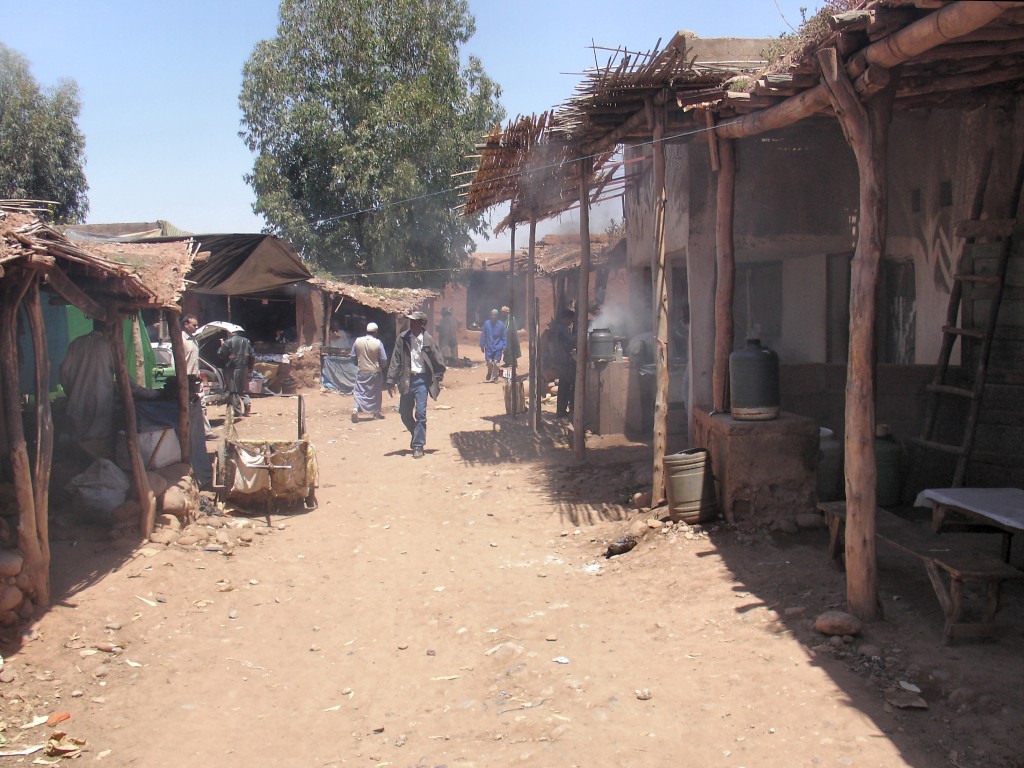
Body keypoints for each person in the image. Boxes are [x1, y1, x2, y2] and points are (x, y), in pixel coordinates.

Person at [386, 310, 445, 459]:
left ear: (422, 323)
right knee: (404, 414)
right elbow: (396, 360)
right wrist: (391, 380)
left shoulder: (428, 340)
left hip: (422, 381)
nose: (411, 324)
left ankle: (418, 445)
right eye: (410, 321)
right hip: (406, 379)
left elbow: (438, 360)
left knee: (421, 414)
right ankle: (415, 433)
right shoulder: (402, 338)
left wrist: (438, 377)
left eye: (415, 321)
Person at [59, 327, 115, 443]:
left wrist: (73, 392)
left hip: (76, 406)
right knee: (96, 447)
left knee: (76, 445)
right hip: (100, 408)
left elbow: (63, 372)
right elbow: (123, 376)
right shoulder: (109, 346)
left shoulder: (76, 343)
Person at [181, 314, 212, 487]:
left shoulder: (193, 340)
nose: (196, 327)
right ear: (186, 325)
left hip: (195, 383)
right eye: (194, 324)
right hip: (186, 384)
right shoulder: (181, 341)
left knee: (200, 414)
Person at [350, 322, 388, 422]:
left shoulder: (357, 341)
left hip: (362, 371)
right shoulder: (378, 343)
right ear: (376, 332)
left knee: (359, 391)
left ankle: (355, 409)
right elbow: (383, 359)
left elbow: (353, 356)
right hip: (375, 372)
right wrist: (382, 367)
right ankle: (376, 412)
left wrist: (357, 364)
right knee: (376, 392)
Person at [543, 309, 576, 418]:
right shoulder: (564, 329)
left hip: (557, 360)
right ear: (567, 318)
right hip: (565, 360)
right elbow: (570, 342)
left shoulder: (555, 328)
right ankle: (571, 408)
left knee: (563, 385)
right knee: (572, 384)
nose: (571, 322)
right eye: (571, 320)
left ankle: (561, 411)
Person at [217, 327, 255, 418]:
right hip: (244, 367)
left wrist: (222, 345)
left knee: (233, 389)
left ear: (230, 332)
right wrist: (250, 367)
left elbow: (221, 354)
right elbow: (252, 355)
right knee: (242, 388)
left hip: (232, 368)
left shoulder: (228, 342)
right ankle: (247, 402)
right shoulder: (246, 341)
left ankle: (237, 411)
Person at [479, 308, 506, 382]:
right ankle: (489, 372)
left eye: (495, 315)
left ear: (497, 316)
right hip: (488, 347)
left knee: (496, 363)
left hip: (498, 347)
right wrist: (482, 345)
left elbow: (504, 336)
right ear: (490, 315)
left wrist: (504, 346)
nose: (493, 316)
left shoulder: (501, 324)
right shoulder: (487, 324)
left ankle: (495, 378)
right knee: (489, 362)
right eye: (492, 315)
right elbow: (484, 335)